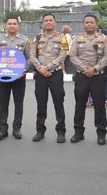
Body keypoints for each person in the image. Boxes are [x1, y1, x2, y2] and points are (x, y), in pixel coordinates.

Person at [69, 14, 107, 145]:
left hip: (98, 76)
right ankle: (78, 132)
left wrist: (95, 68)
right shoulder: (76, 38)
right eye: (86, 22)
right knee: (80, 105)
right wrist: (85, 69)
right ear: (83, 24)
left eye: (91, 22)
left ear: (96, 24)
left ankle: (101, 133)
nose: (89, 24)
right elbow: (73, 56)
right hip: (82, 76)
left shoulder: (103, 38)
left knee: (99, 105)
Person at [29, 13, 68, 143]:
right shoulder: (37, 37)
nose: (48, 22)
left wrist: (49, 67)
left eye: (51, 20)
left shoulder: (62, 37)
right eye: (46, 20)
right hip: (40, 74)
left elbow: (63, 55)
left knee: (58, 103)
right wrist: (40, 68)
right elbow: (32, 55)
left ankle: (61, 131)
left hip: (55, 74)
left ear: (55, 23)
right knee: (41, 104)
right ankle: (40, 131)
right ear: (43, 23)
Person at [0, 16, 30, 140]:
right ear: (6, 25)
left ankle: (17, 129)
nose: (12, 25)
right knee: (3, 104)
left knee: (18, 104)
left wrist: (25, 70)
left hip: (19, 78)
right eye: (10, 23)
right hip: (3, 78)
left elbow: (29, 58)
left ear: (18, 26)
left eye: (14, 23)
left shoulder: (24, 40)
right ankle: (3, 129)